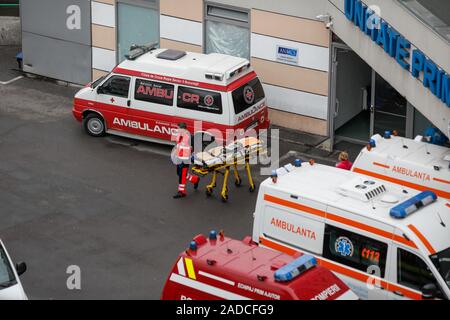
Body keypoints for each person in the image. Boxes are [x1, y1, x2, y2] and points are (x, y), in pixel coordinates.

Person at [172, 123, 200, 199]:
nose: (177, 130)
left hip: (185, 160)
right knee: (179, 173)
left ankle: (181, 192)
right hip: (179, 158)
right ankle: (195, 179)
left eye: (178, 128)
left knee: (182, 175)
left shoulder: (190, 137)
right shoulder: (179, 136)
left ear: (183, 129)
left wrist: (193, 156)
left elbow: (195, 147)